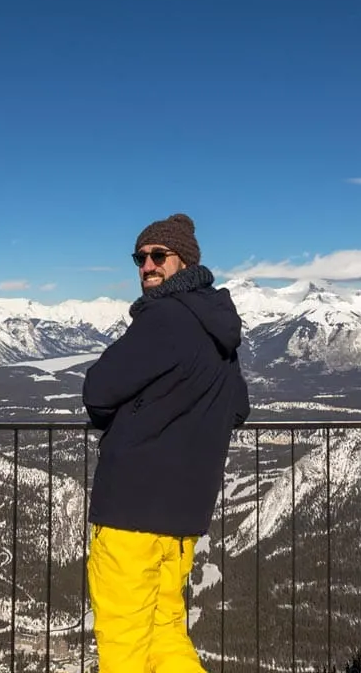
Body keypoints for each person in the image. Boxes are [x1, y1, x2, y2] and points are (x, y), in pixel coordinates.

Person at [82, 212, 251, 673]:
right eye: (140, 258)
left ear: (184, 261)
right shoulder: (220, 330)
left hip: (130, 512)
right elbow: (237, 408)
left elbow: (97, 391)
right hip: (183, 517)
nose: (147, 266)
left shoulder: (163, 318)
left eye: (159, 256)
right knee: (166, 633)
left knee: (124, 647)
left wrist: (136, 415)